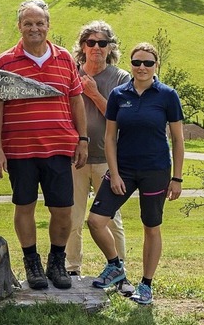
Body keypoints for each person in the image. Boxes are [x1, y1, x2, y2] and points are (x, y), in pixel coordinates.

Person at [0, 0, 88, 290]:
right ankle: (31, 263)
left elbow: (76, 99)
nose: (34, 28)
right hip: (20, 149)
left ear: (48, 25)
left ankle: (56, 263)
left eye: (39, 23)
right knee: (25, 206)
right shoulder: (5, 62)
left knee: (63, 210)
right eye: (28, 23)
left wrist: (82, 139)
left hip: (59, 146)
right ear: (19, 26)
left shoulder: (65, 59)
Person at [87, 42, 184, 305]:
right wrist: (115, 174)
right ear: (130, 64)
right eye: (137, 62)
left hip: (156, 170)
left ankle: (146, 285)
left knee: (151, 226)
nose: (142, 67)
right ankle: (115, 266)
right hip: (124, 169)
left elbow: (177, 139)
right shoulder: (119, 95)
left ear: (156, 66)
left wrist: (177, 178)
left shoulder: (167, 95)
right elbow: (110, 138)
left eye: (148, 63)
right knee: (95, 220)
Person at [66, 20, 135, 295]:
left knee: (110, 218)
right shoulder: (72, 73)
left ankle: (120, 271)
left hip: (109, 158)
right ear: (83, 47)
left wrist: (94, 93)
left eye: (102, 43)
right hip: (76, 156)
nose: (96, 48)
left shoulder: (120, 79)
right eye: (91, 42)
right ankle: (71, 269)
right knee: (73, 216)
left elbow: (122, 118)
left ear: (110, 48)